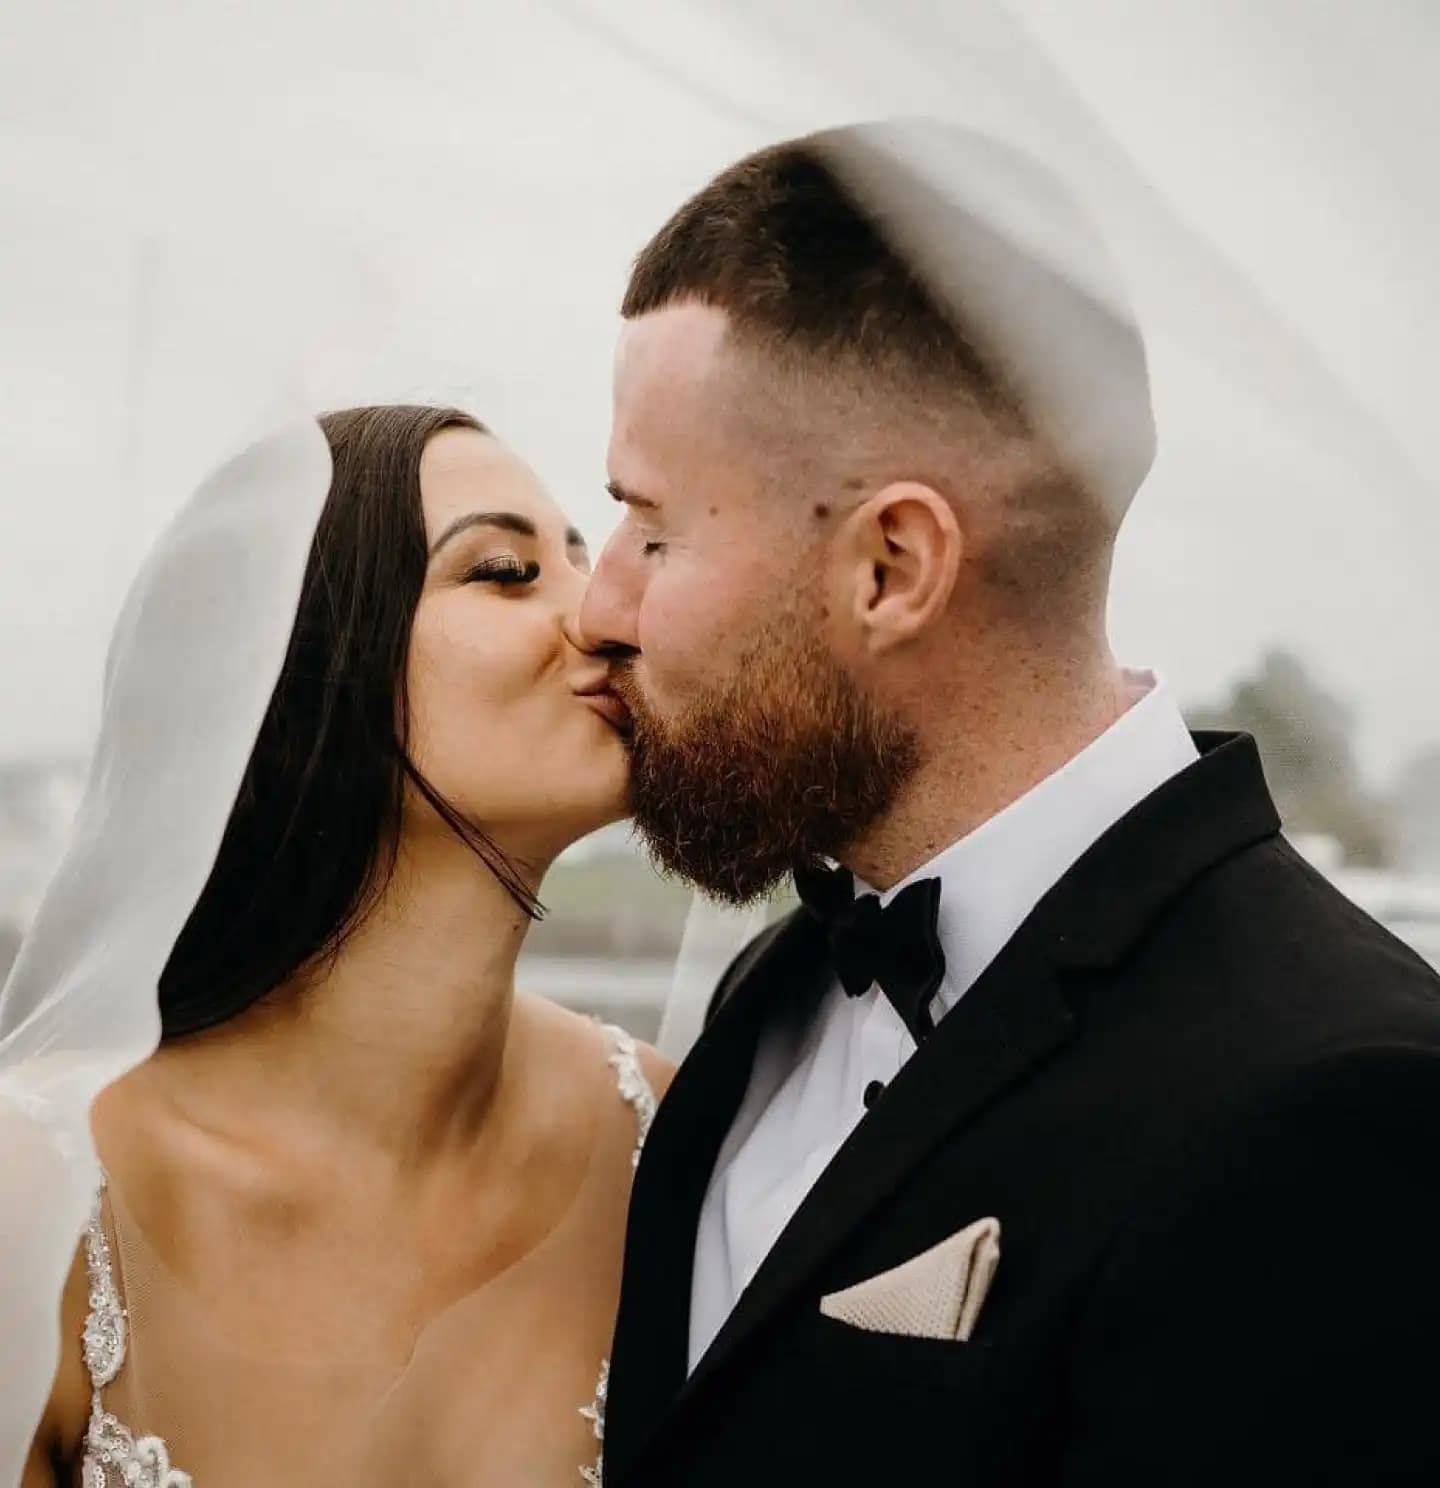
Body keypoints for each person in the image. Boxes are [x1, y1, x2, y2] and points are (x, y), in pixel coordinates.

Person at [578, 123, 1440, 1486]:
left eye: (654, 528)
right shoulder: (775, 987)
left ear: (894, 567)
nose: (600, 603)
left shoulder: (1338, 1108)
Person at [23, 404, 667, 1487]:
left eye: (583, 556)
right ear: (300, 668)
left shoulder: (666, 1140)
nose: (608, 611)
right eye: (507, 570)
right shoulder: (40, 1196)